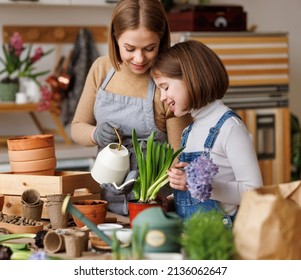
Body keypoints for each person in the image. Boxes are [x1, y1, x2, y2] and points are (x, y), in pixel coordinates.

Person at [71, 0, 192, 216]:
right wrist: (95, 134)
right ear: (115, 38)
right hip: (103, 204)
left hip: (153, 206)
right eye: (129, 48)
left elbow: (180, 157)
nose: (139, 58)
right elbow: (77, 126)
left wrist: (166, 200)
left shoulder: (168, 83)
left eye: (149, 48)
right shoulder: (101, 69)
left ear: (161, 40)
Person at [150, 40, 263, 226]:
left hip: (220, 239)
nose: (162, 97)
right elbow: (193, 196)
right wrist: (170, 201)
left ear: (189, 78)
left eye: (165, 87)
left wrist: (196, 183)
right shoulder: (189, 131)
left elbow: (254, 191)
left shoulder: (230, 128)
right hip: (191, 235)